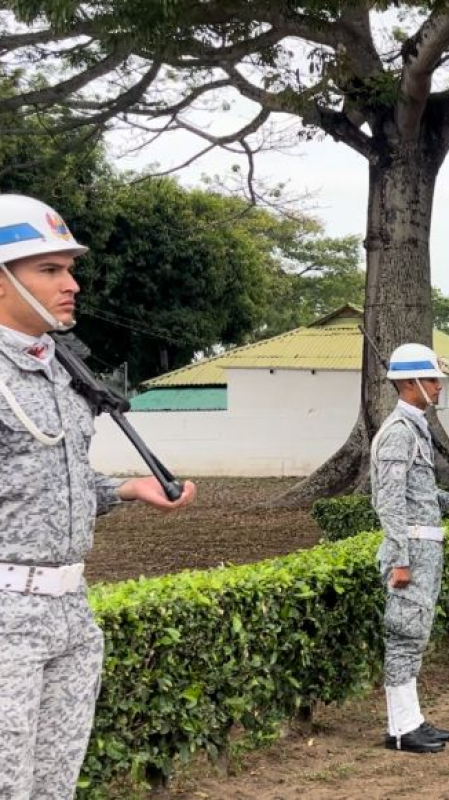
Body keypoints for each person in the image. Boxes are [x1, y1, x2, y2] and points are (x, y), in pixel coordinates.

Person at [0, 194, 197, 797]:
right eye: (50, 269)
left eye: (69, 268)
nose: (72, 284)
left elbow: (43, 478)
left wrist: (126, 490)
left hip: (70, 610)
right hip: (6, 614)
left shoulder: (59, 368)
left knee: (54, 786)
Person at [371, 343, 449, 753]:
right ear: (409, 382)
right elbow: (390, 500)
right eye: (433, 379)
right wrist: (400, 558)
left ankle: (413, 719)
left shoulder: (416, 428)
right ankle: (400, 729)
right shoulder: (398, 434)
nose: (439, 386)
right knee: (404, 634)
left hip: (425, 548)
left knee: (416, 634)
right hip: (411, 552)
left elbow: (421, 493)